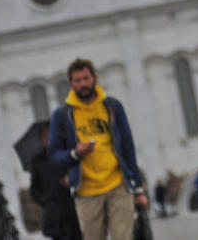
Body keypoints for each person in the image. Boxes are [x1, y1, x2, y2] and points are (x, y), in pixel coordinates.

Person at [49, 58, 148, 240]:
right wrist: (75, 153)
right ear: (71, 84)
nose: (83, 84)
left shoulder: (112, 107)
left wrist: (139, 189)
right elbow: (54, 156)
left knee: (123, 237)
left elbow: (128, 147)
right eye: (77, 81)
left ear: (95, 78)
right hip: (86, 191)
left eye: (86, 78)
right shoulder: (62, 115)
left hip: (118, 184)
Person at [30, 122, 83, 240]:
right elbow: (34, 189)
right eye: (46, 136)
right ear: (41, 139)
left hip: (72, 210)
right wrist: (46, 201)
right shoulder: (37, 160)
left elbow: (80, 173)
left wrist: (71, 179)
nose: (49, 139)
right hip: (54, 215)